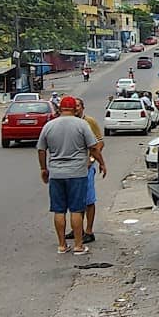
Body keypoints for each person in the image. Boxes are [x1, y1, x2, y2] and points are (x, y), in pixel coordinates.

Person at [35, 94, 98, 255]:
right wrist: (102, 163)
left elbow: (41, 149)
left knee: (59, 210)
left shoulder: (49, 125)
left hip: (56, 174)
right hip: (77, 173)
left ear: (60, 108)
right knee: (76, 210)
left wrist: (43, 169)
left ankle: (62, 245)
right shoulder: (82, 125)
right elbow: (93, 147)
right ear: (73, 108)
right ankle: (78, 245)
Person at [71, 98, 109, 242]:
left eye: (78, 106)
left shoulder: (89, 122)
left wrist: (93, 159)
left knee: (88, 200)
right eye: (73, 106)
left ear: (83, 108)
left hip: (86, 167)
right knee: (75, 199)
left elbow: (99, 142)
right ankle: (76, 228)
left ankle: (89, 230)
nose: (75, 108)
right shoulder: (69, 123)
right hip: (73, 168)